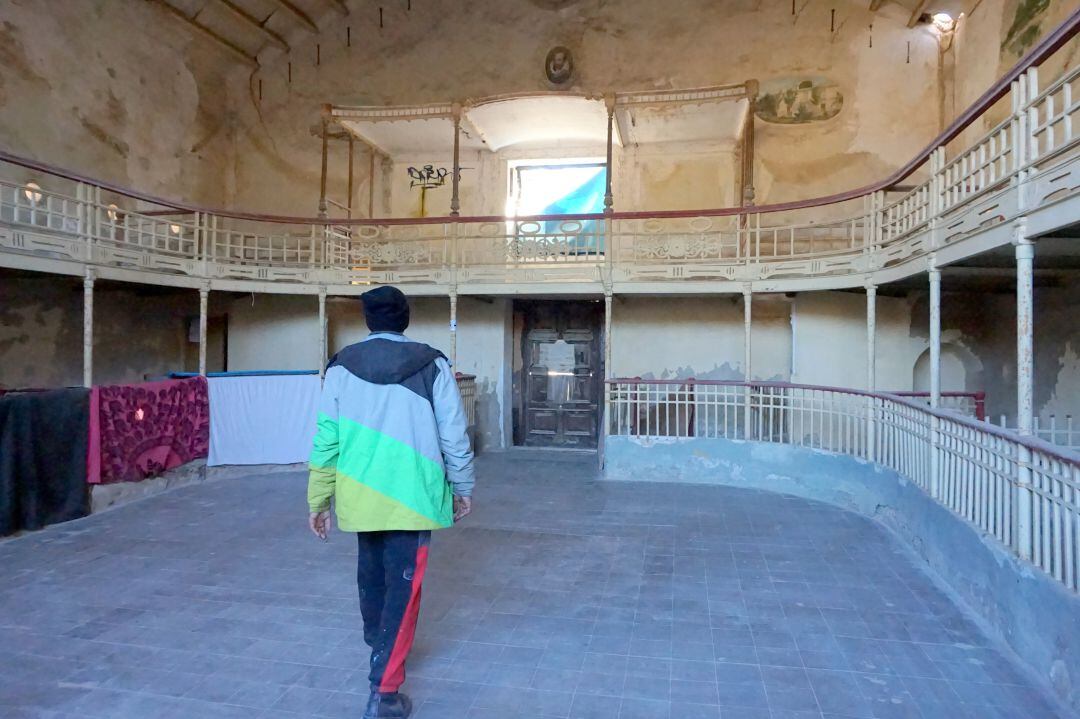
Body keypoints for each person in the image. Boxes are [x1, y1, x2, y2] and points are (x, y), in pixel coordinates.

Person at [307, 285, 475, 719]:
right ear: (405, 318)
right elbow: (453, 432)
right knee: (402, 591)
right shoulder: (431, 363)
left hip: (361, 495)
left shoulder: (341, 367)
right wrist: (462, 485)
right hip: (413, 494)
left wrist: (318, 498)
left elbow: (327, 437)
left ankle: (379, 646)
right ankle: (383, 693)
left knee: (373, 579)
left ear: (368, 320)